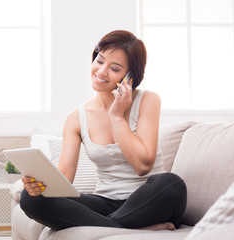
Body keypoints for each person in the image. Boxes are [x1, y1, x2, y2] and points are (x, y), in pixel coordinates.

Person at [20, 30, 187, 231]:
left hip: (150, 200)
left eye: (114, 68)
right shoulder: (76, 118)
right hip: (105, 204)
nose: (101, 71)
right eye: (100, 61)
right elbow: (64, 179)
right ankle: (128, 229)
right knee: (30, 199)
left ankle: (109, 227)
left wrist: (117, 117)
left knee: (171, 183)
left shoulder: (148, 100)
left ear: (130, 76)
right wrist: (40, 184)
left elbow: (143, 165)